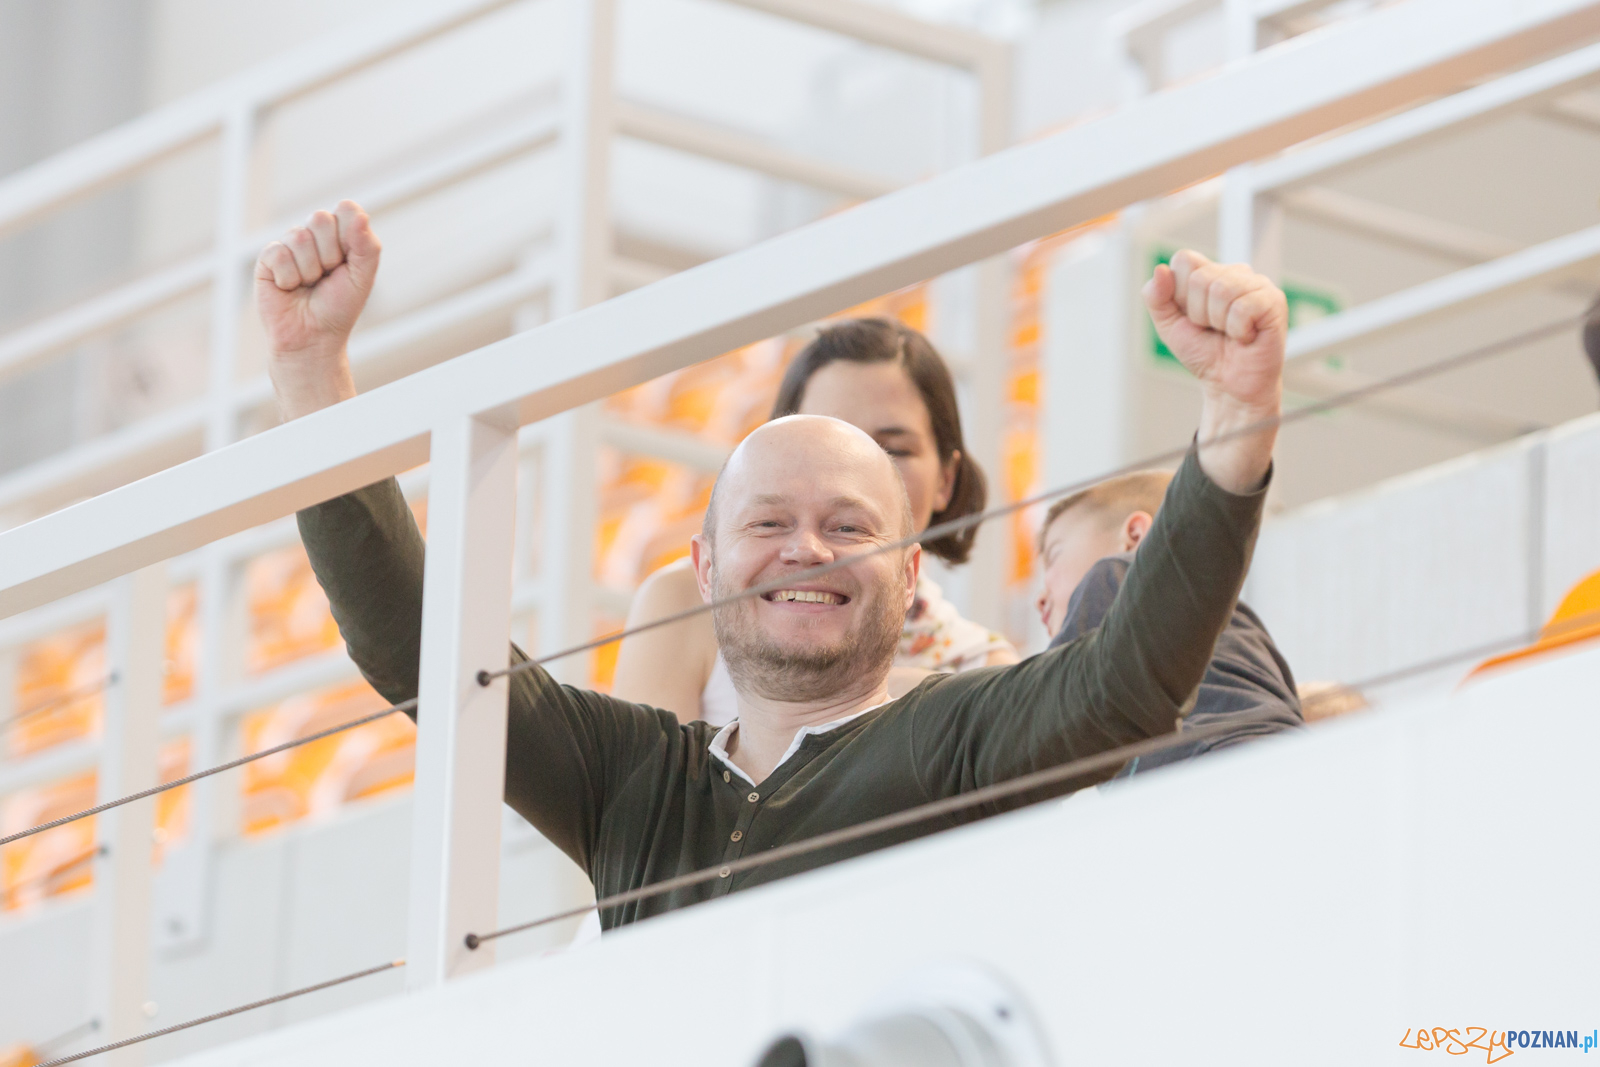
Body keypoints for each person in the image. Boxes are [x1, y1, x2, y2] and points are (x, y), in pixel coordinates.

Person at [258, 200, 1288, 928]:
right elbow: (420, 649)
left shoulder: (955, 729)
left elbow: (1126, 682)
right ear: (702, 567)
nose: (805, 546)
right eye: (769, 523)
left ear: (910, 558)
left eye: (849, 525)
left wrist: (1234, 424)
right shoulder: (631, 778)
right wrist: (313, 380)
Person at [613, 318, 1017, 725]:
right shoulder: (684, 601)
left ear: (946, 479)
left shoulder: (982, 675)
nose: (856, 468)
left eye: (892, 448)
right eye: (825, 436)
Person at [1034, 470, 1304, 776]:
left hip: (1210, 764)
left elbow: (1044, 706)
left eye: (1054, 556)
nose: (1040, 596)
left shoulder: (1116, 575)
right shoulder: (1243, 623)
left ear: (1134, 536)